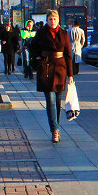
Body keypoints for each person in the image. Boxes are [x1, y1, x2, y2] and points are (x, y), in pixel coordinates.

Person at [29, 10, 74, 143]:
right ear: (47, 20)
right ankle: (55, 131)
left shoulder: (64, 33)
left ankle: (56, 127)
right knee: (51, 101)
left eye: (54, 19)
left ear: (58, 20)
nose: (52, 21)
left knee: (58, 102)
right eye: (50, 19)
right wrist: (38, 59)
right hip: (46, 67)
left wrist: (70, 74)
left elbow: (68, 55)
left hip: (60, 68)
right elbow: (32, 46)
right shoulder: (42, 33)